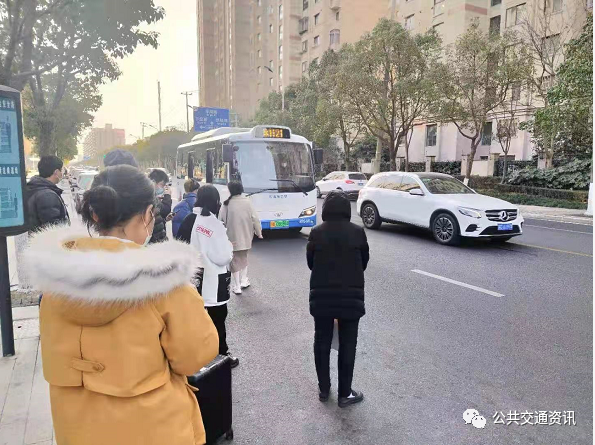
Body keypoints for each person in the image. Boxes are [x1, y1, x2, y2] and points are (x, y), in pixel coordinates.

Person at [23, 165, 219, 445]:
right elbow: (195, 356)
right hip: (155, 429)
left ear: (94, 214)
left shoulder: (54, 283)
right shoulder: (164, 283)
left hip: (77, 429)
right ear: (146, 214)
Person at [306, 190, 369, 408]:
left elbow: (311, 263)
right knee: (348, 345)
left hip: (322, 297)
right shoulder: (357, 232)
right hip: (351, 298)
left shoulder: (316, 232)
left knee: (321, 342)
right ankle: (345, 394)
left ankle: (324, 390)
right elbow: (364, 262)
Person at [176, 185, 239, 368]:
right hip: (213, 280)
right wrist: (229, 247)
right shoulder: (213, 224)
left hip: (190, 278)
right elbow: (222, 257)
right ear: (215, 202)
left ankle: (196, 355)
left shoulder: (189, 219)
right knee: (217, 319)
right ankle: (221, 355)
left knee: (194, 318)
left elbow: (179, 246)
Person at [218, 181, 262, 294]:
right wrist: (259, 232)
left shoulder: (226, 204)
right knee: (244, 257)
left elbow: (220, 221)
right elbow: (255, 219)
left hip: (231, 237)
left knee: (234, 261)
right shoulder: (247, 202)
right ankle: (244, 280)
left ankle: (237, 286)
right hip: (246, 235)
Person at [26, 155, 70, 232]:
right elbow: (53, 228)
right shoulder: (47, 195)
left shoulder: (36, 187)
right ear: (56, 172)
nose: (62, 173)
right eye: (62, 170)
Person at [148, 169, 172, 243]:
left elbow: (156, 219)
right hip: (153, 241)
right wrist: (167, 195)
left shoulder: (153, 196)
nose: (163, 188)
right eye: (162, 185)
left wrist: (164, 220)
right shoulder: (149, 197)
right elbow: (166, 210)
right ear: (153, 182)